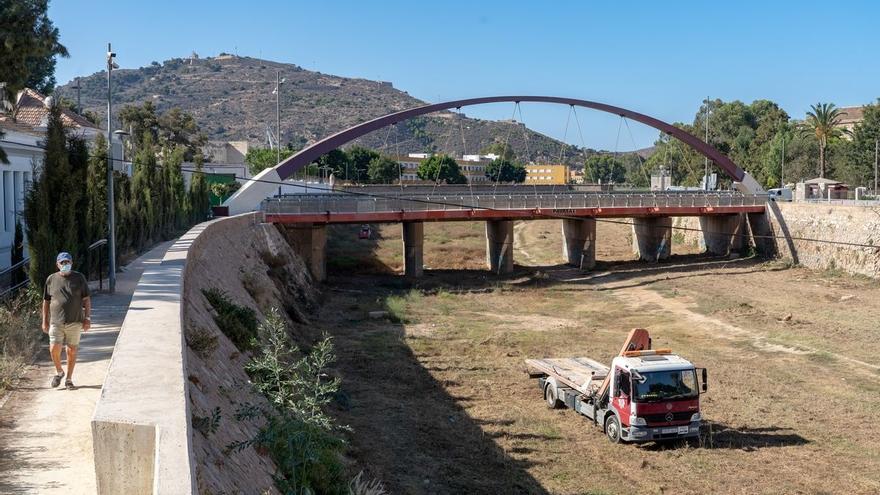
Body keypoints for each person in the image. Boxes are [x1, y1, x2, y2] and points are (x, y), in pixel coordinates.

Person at [41, 252, 91, 390]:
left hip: (75, 321)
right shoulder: (51, 279)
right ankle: (59, 372)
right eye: (62, 263)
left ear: (71, 263)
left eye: (67, 262)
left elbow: (86, 300)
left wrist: (87, 318)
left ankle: (69, 379)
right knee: (53, 349)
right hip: (56, 322)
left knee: (71, 351)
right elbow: (46, 301)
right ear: (57, 265)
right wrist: (44, 321)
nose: (65, 265)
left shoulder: (79, 278)